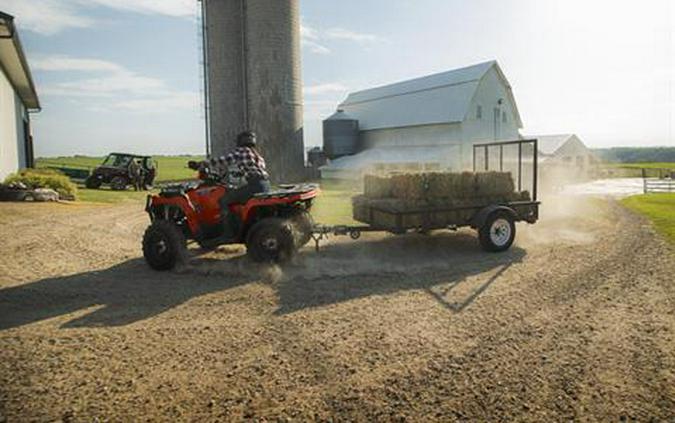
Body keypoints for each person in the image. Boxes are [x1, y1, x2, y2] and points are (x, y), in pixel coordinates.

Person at [217, 131, 271, 224]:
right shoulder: (256, 154)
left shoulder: (242, 151)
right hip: (265, 185)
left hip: (254, 186)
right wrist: (239, 174)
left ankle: (228, 233)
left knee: (223, 200)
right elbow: (254, 169)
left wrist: (200, 164)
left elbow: (223, 160)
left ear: (240, 141)